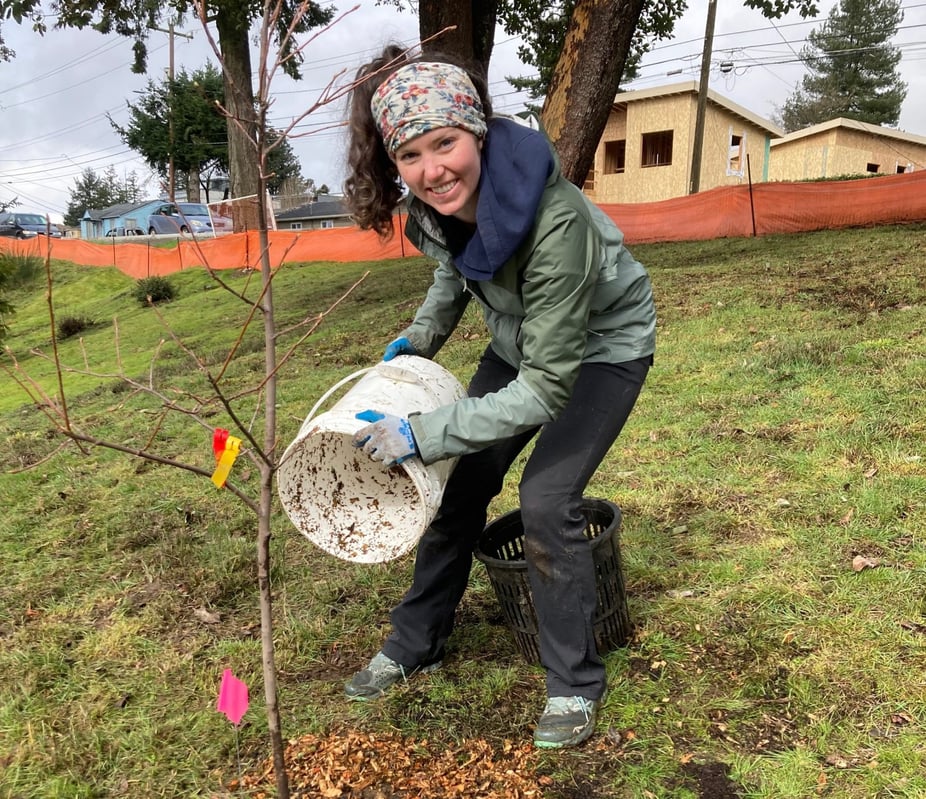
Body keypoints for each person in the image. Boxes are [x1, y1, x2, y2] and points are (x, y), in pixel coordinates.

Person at [342, 45, 656, 749]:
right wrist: (420, 338)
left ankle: (574, 683)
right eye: (412, 155)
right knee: (463, 484)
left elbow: (547, 386)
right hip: (525, 344)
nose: (433, 170)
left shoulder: (555, 221)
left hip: (605, 350)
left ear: (476, 132)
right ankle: (415, 639)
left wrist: (423, 431)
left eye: (445, 143)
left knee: (546, 499)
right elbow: (456, 273)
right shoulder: (435, 206)